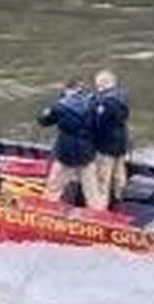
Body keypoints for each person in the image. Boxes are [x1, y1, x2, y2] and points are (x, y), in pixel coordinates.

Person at [37, 76, 100, 207]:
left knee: (54, 186)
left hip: (66, 152)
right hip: (87, 151)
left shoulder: (60, 106)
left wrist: (47, 111)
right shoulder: (94, 104)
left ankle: (48, 210)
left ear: (68, 90)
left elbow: (43, 121)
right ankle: (97, 214)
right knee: (92, 189)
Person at [91, 69, 130, 209]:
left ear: (104, 83)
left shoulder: (105, 102)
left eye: (97, 83)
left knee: (103, 179)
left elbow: (98, 123)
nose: (96, 87)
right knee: (119, 174)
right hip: (121, 144)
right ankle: (120, 199)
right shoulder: (123, 95)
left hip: (106, 146)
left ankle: (100, 208)